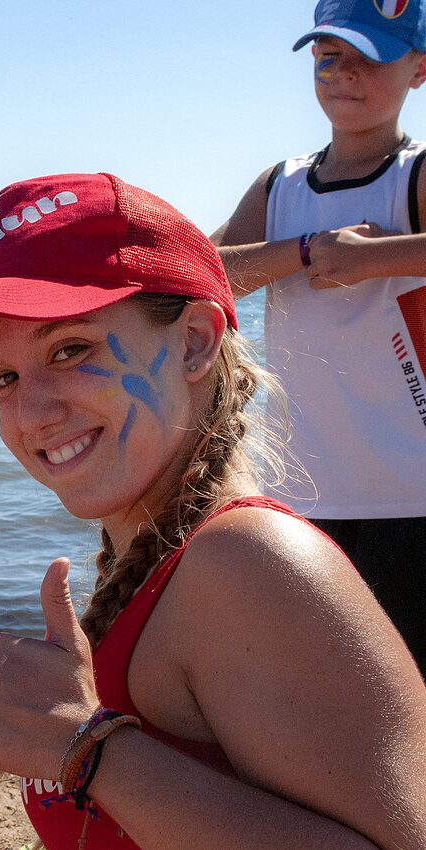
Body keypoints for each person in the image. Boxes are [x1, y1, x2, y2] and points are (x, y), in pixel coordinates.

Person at [0, 173, 426, 849]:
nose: (30, 411)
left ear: (196, 341)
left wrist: (84, 752)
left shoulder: (247, 562)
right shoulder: (163, 564)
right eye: (4, 378)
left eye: (70, 349)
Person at [211, 0, 426, 672]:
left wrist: (373, 259)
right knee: (315, 678)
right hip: (298, 488)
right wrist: (305, 250)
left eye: (370, 58)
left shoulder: (413, 175)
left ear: (418, 69)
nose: (346, 73)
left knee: (404, 680)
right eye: (330, 56)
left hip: (410, 489)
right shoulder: (282, 185)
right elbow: (210, 273)